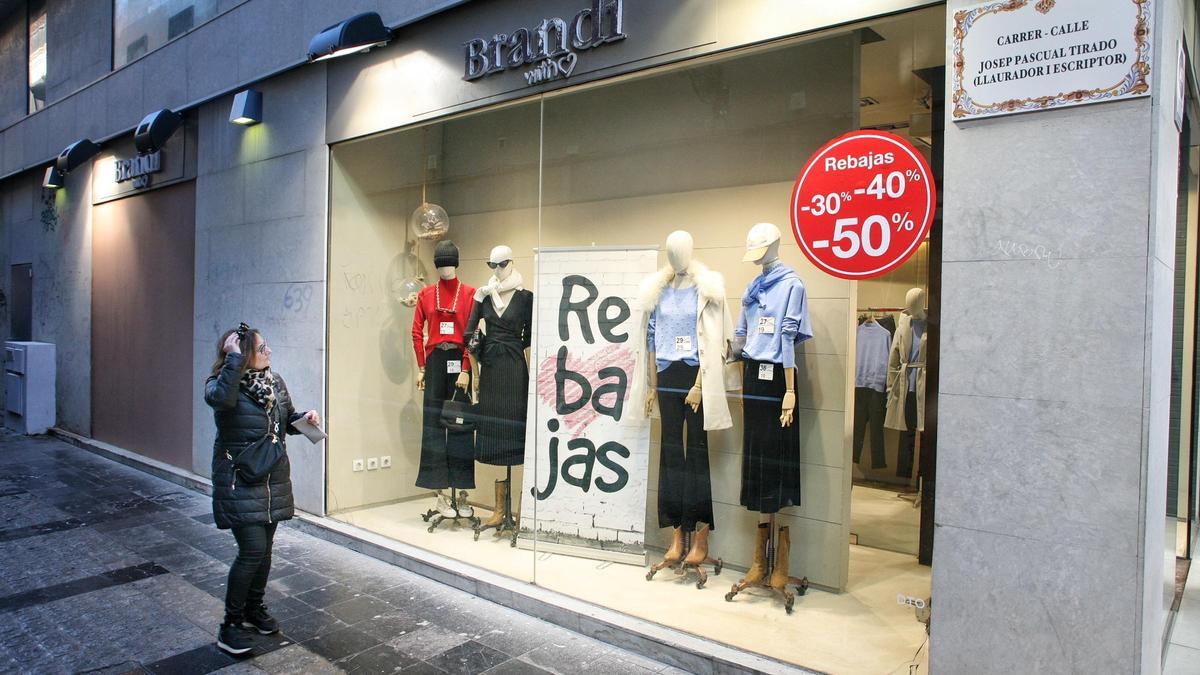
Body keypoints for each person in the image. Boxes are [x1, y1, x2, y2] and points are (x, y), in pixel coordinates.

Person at [204, 323, 319, 655]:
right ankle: (230, 625)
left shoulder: (274, 381)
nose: (268, 351)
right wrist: (233, 360)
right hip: (240, 480)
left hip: (272, 478)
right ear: (240, 354)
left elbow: (284, 420)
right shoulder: (220, 385)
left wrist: (304, 419)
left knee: (264, 552)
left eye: (266, 346)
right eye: (261, 348)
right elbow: (221, 401)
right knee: (252, 550)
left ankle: (254, 609)